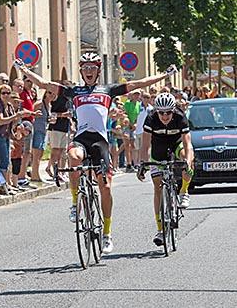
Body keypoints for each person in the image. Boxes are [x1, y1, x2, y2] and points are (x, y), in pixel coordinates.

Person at [14, 54, 178, 254]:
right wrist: (23, 69)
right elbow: (44, 83)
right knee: (73, 158)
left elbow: (139, 83)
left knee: (106, 187)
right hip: (81, 139)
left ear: (98, 71)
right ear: (81, 71)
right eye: (85, 68)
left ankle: (107, 234)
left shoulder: (107, 90)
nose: (89, 71)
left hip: (100, 142)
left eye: (93, 68)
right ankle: (75, 203)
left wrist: (164, 75)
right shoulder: (74, 91)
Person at [137, 92, 194, 247]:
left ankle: (184, 191)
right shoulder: (151, 118)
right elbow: (145, 145)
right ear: (157, 111)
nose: (165, 116)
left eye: (168, 112)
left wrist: (188, 162)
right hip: (158, 148)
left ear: (173, 110)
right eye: (161, 113)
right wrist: (142, 164)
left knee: (186, 156)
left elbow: (188, 144)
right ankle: (161, 230)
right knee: (157, 186)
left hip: (176, 145)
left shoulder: (180, 117)